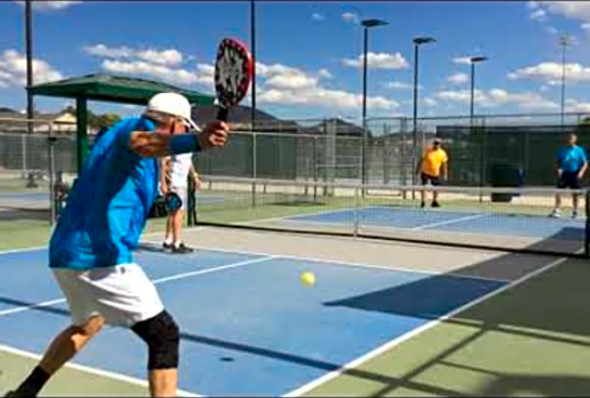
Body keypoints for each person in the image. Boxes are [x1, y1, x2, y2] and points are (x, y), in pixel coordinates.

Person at [5, 92, 230, 398]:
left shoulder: (122, 143)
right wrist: (198, 142)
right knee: (164, 335)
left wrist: (155, 206)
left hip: (66, 251)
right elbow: (143, 142)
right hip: (99, 256)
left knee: (87, 326)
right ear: (175, 124)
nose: (186, 134)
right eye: (185, 129)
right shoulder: (132, 131)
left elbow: (118, 194)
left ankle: (25, 392)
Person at [160, 149, 201, 253]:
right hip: (175, 182)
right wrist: (163, 183)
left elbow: (188, 161)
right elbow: (163, 162)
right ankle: (177, 243)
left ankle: (168, 240)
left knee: (173, 212)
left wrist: (194, 176)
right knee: (178, 213)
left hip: (182, 182)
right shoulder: (176, 144)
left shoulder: (188, 146)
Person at [550, 132, 588, 219]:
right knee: (559, 192)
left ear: (575, 140)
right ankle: (557, 210)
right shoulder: (562, 150)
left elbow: (585, 163)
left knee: (575, 193)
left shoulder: (579, 150)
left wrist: (581, 172)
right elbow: (557, 161)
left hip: (575, 173)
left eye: (571, 139)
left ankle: (575, 211)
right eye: (568, 138)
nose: (569, 140)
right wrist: (558, 169)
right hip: (564, 173)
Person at [417, 138, 449, 208]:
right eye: (435, 143)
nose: (436, 145)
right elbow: (421, 160)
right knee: (424, 187)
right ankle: (423, 201)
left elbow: (444, 164)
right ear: (433, 144)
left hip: (435, 173)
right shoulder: (427, 150)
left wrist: (445, 174)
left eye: (438, 144)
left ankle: (434, 201)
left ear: (440, 145)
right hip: (425, 172)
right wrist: (418, 170)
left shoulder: (442, 153)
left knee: (436, 188)